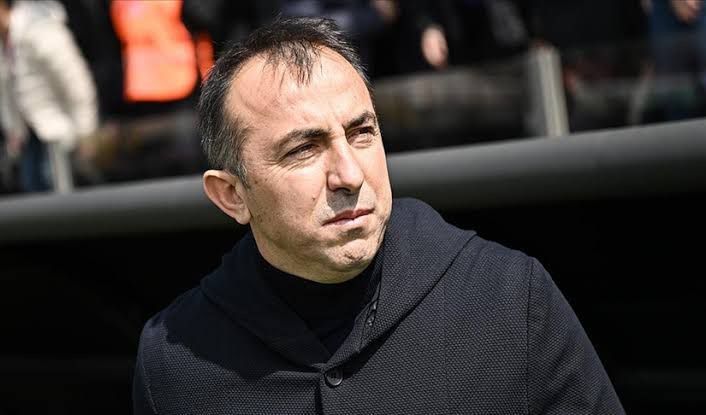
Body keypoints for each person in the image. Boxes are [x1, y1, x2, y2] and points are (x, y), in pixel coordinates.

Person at [133, 17, 624, 414]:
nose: (349, 174)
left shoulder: (511, 297)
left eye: (361, 133)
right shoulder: (175, 363)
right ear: (231, 196)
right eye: (304, 149)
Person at [0, 0, 97, 192]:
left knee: (63, 197)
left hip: (59, 136)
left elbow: (75, 82)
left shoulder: (39, 28)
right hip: (28, 140)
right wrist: (13, 132)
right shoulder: (5, 42)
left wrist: (85, 132)